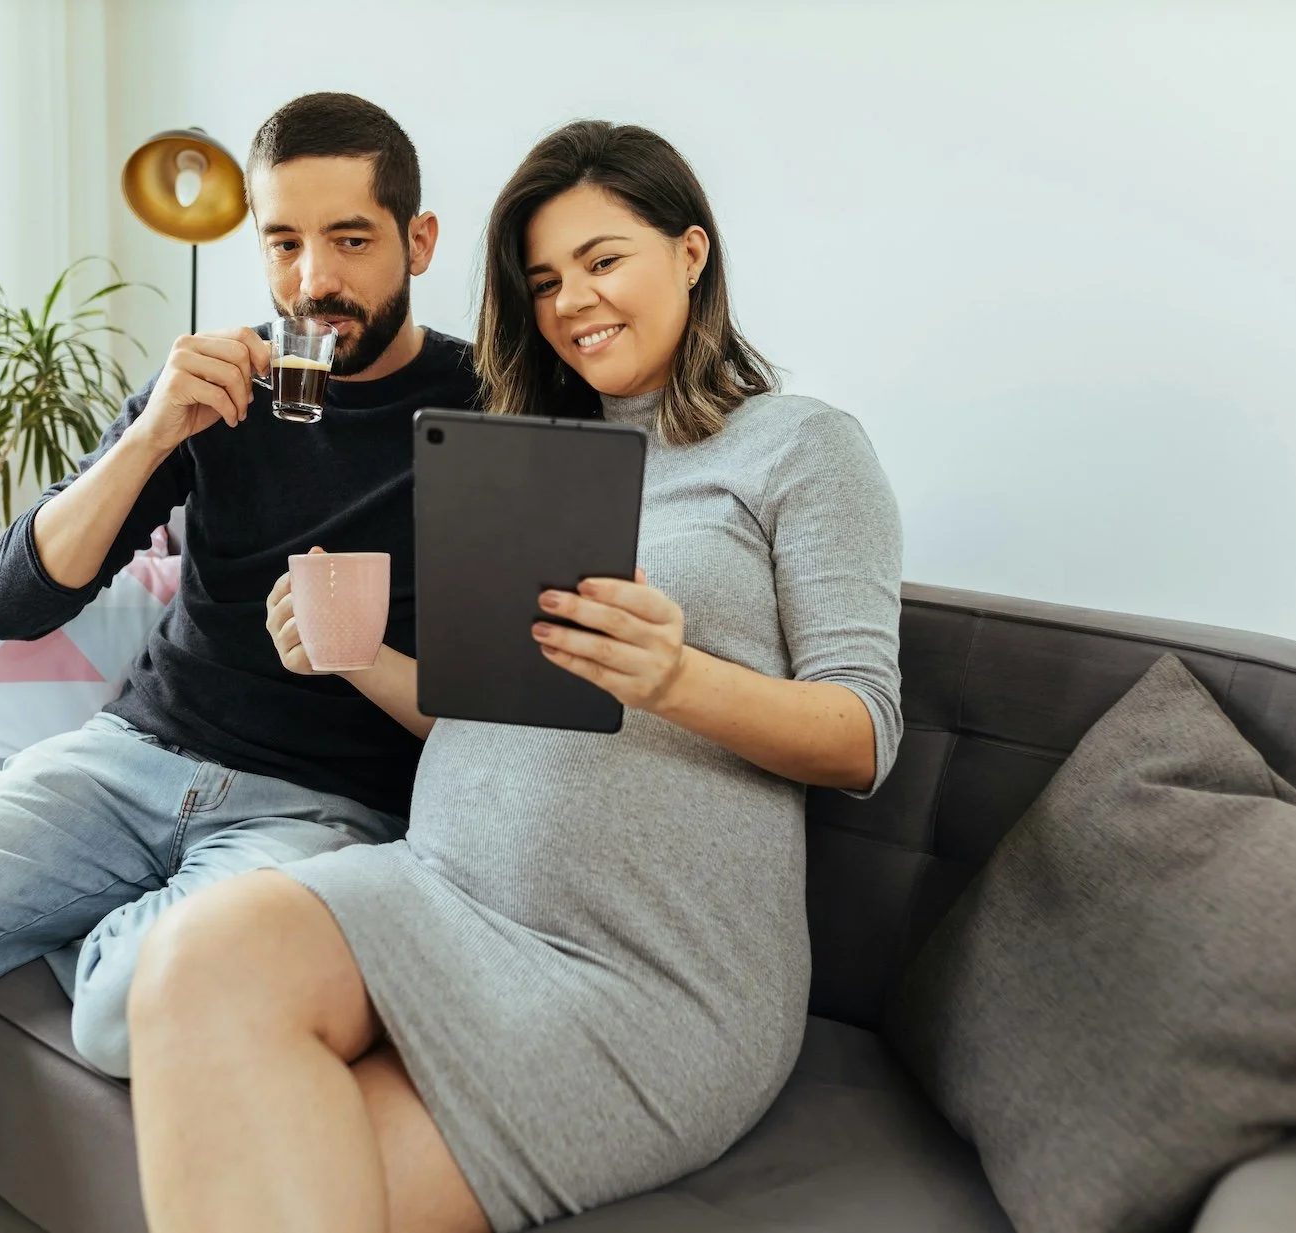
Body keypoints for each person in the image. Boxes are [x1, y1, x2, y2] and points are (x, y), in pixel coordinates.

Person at [124, 120, 905, 1233]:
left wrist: (673, 678)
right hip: (440, 891)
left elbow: (862, 737)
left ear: (690, 253)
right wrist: (357, 659)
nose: (570, 302)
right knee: (196, 956)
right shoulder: (527, 459)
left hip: (641, 973)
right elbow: (477, 710)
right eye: (542, 280)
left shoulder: (799, 447)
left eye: (602, 260)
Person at [0, 93, 479, 1233]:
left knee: (129, 1010)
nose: (311, 281)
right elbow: (14, 600)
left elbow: (507, 697)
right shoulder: (217, 390)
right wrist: (151, 437)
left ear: (415, 244)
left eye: (349, 240)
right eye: (283, 242)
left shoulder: (486, 405)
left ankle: (81, 920)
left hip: (324, 812)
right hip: (130, 759)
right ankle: (85, 900)